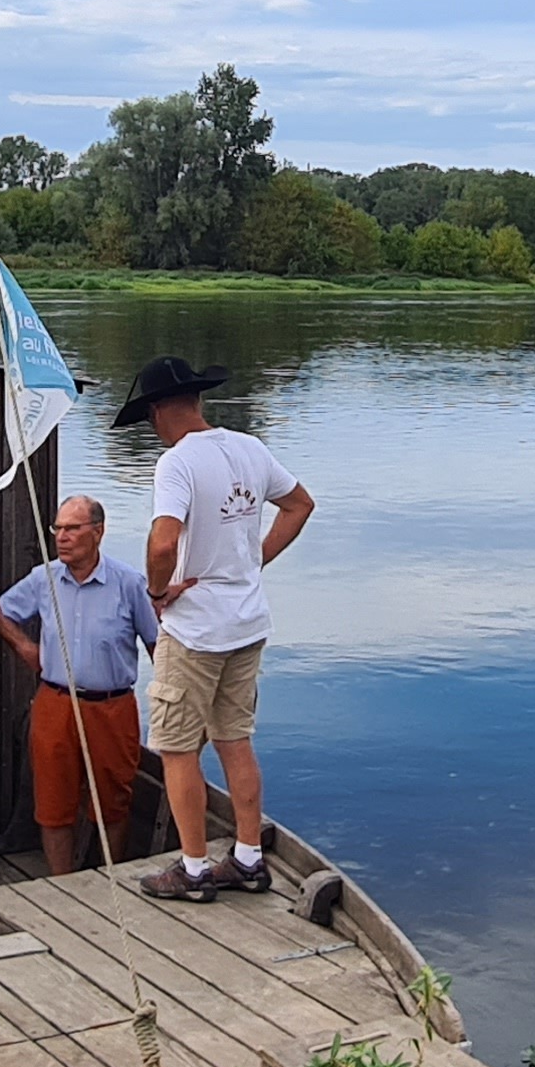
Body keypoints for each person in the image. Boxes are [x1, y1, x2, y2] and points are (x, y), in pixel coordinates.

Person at [119, 355, 316, 901]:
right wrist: (252, 562)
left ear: (158, 412)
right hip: (248, 623)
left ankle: (194, 870)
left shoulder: (177, 463)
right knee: (236, 741)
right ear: (198, 400)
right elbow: (300, 505)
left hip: (195, 630)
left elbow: (162, 543)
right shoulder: (249, 448)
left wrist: (158, 593)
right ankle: (249, 860)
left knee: (178, 748)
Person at [0, 493, 162, 877]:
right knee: (53, 802)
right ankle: (62, 883)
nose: (62, 537)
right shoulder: (43, 579)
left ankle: (110, 879)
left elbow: (157, 646)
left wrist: (171, 700)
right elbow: (1, 610)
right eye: (57, 529)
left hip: (112, 707)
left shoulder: (129, 584)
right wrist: (25, 646)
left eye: (72, 528)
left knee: (113, 801)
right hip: (56, 703)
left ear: (97, 532)